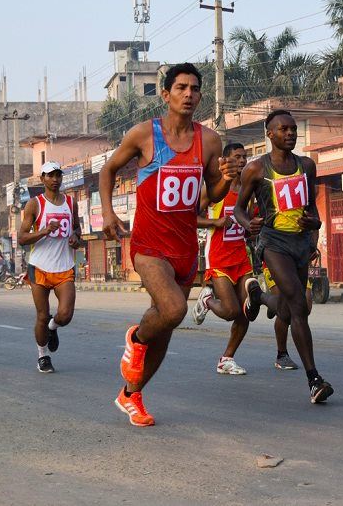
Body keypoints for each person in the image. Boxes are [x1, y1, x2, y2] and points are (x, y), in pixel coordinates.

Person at [100, 63, 239, 427]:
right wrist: (108, 213)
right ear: (165, 94)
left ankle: (131, 395)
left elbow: (211, 195)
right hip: (149, 246)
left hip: (184, 248)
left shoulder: (209, 140)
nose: (188, 94)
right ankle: (135, 337)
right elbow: (107, 171)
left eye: (194, 88)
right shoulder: (145, 135)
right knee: (174, 309)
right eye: (181, 87)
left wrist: (225, 179)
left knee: (165, 331)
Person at [234, 109, 333, 404]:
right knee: (299, 303)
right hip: (273, 243)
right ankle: (314, 379)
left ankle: (259, 297)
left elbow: (312, 209)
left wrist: (314, 225)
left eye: (293, 129)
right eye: (283, 129)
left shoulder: (306, 166)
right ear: (270, 134)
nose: (290, 133)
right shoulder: (255, 169)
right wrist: (246, 223)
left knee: (290, 310)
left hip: (301, 244)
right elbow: (239, 208)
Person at [192, 142, 264, 375]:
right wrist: (215, 222)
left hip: (241, 257)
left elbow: (248, 222)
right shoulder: (213, 190)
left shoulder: (248, 189)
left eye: (245, 157)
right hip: (219, 258)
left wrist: (252, 228)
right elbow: (189, 219)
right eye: (236, 157)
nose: (242, 161)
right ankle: (207, 301)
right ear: (225, 161)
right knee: (231, 311)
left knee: (247, 310)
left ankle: (227, 359)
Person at [18, 161, 82, 374]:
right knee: (42, 315)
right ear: (42, 179)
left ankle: (53, 329)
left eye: (58, 175)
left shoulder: (71, 203)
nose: (55, 180)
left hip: (64, 266)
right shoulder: (35, 204)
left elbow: (77, 229)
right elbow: (22, 238)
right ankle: (42, 355)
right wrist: (44, 231)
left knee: (65, 314)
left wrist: (75, 237)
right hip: (40, 267)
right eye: (50, 175)